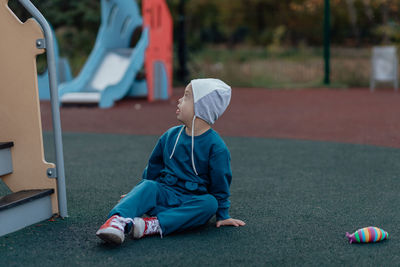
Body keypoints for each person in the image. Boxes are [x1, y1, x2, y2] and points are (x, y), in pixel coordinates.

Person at [96, 78, 246, 245]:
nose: (180, 100)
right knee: (148, 186)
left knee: (210, 204)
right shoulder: (170, 136)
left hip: (190, 202)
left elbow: (221, 183)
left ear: (203, 107)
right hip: (164, 196)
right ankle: (117, 223)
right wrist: (137, 195)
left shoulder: (217, 148)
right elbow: (153, 167)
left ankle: (152, 225)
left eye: (187, 96)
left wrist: (223, 214)